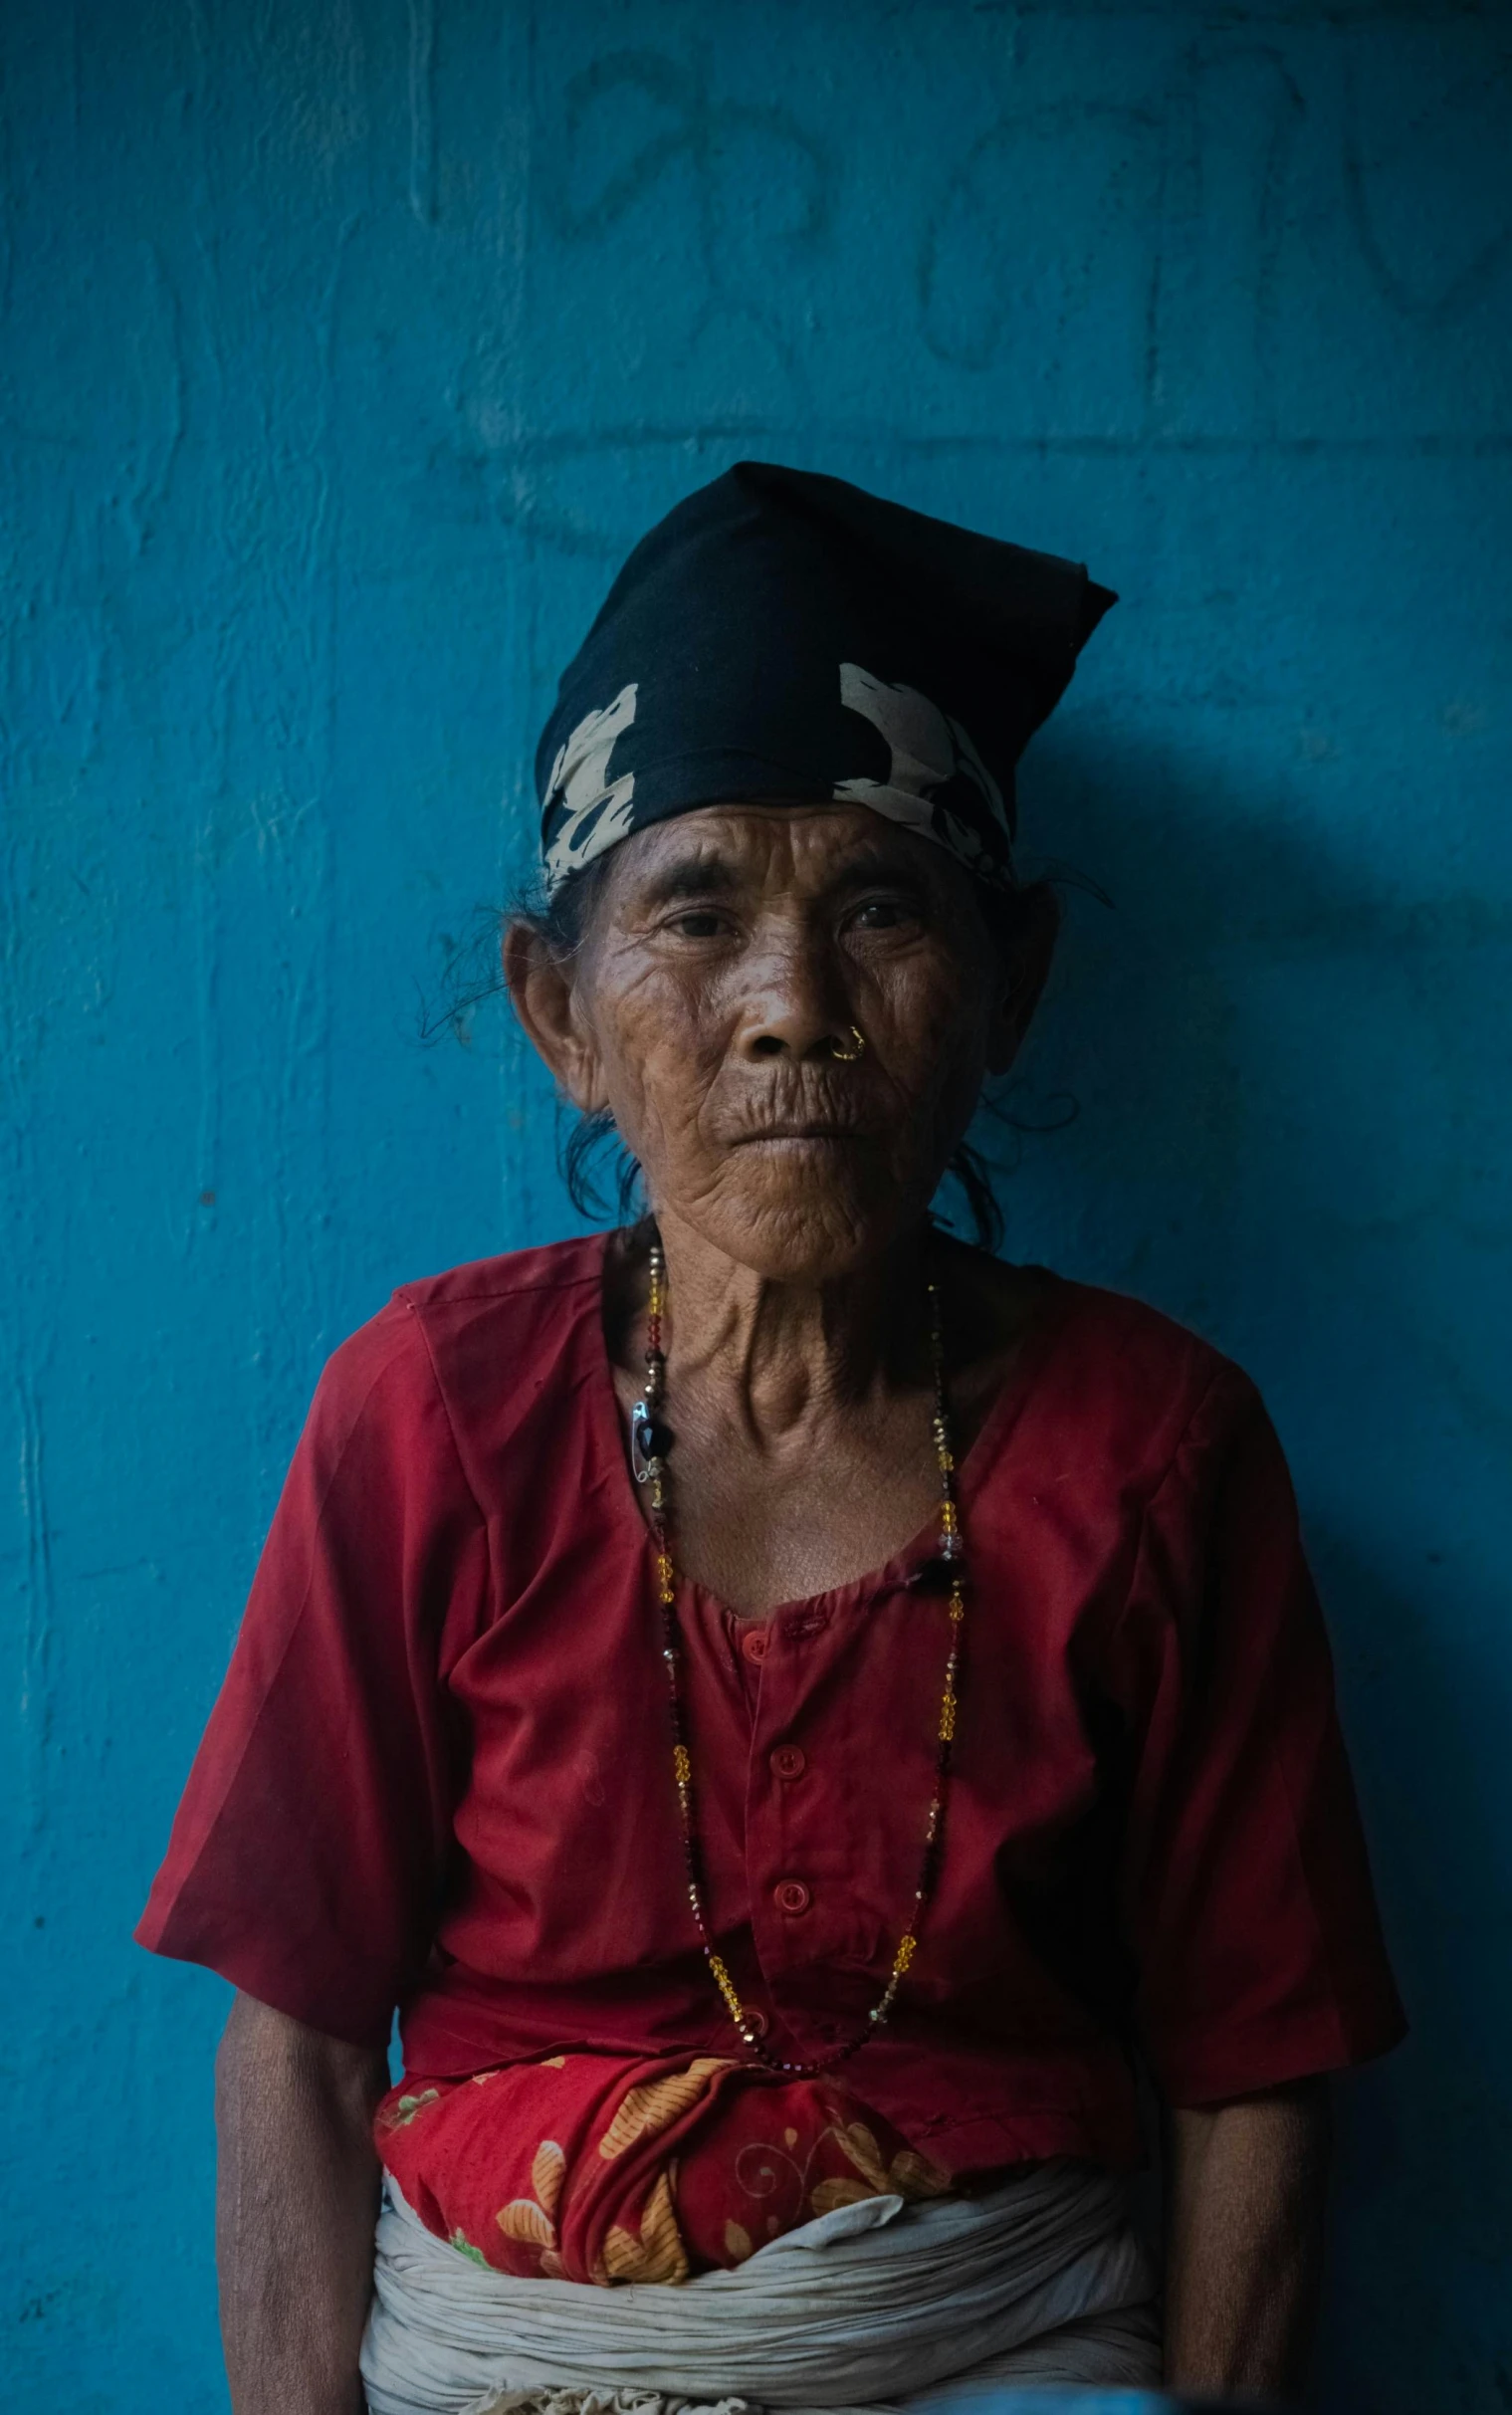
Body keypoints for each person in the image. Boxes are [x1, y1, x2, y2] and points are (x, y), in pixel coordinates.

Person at [137, 464, 1404, 2415]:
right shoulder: (431, 1415)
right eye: (698, 914)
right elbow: (292, 2040)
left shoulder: (1154, 1452)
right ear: (559, 1012)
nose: (790, 1007)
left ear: (1013, 990)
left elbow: (1257, 2076)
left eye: (881, 909)